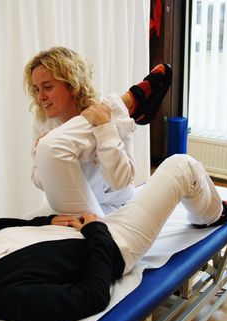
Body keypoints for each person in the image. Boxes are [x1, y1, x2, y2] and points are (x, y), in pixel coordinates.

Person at [0, 153, 227, 321]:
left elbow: (0, 224)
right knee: (181, 166)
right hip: (114, 240)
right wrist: (95, 231)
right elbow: (91, 297)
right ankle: (212, 215)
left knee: (56, 156)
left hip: (76, 226)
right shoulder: (6, 297)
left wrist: (48, 220)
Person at [23, 47, 172, 215]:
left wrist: (105, 129)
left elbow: (121, 181)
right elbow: (37, 179)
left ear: (72, 85)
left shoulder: (106, 115)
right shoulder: (43, 122)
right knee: (22, 226)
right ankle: (130, 100)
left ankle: (131, 101)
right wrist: (46, 157)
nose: (40, 97)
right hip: (71, 201)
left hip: (114, 205)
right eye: (36, 89)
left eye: (48, 87)